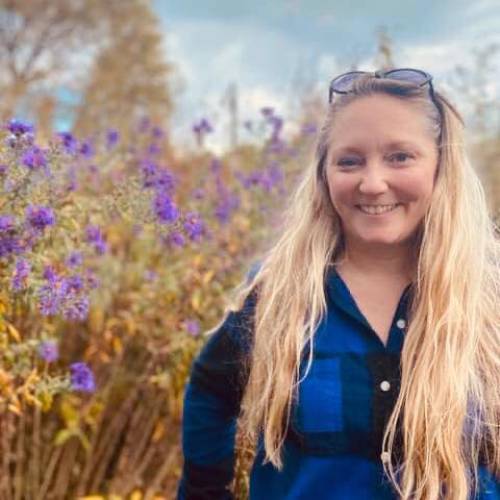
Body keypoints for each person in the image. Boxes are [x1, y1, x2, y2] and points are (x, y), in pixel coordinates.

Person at [177, 68, 500, 499]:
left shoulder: (489, 295)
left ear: (442, 165)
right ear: (324, 175)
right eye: (349, 161)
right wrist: (204, 490)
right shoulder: (279, 295)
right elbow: (210, 390)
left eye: (400, 156)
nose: (372, 183)